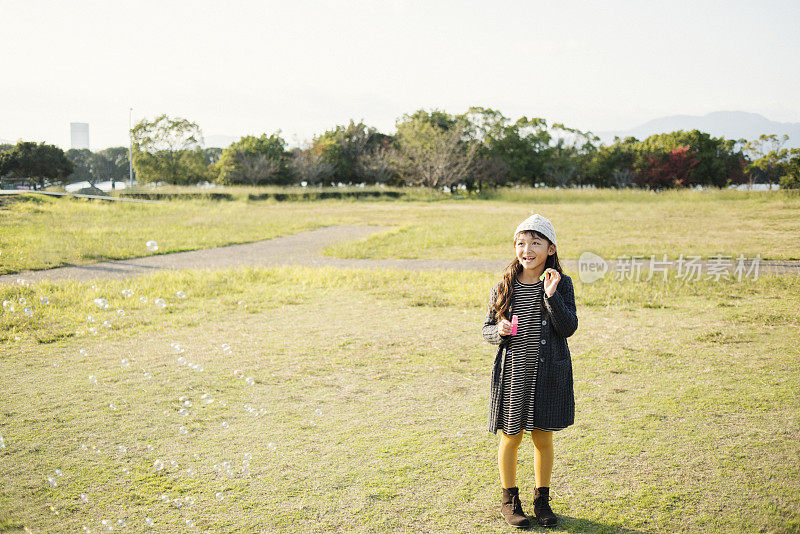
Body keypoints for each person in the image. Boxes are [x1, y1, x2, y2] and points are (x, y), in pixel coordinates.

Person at [481, 212, 578, 528]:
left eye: (535, 242)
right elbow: (486, 329)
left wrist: (551, 297)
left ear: (550, 248)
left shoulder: (560, 285)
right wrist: (500, 330)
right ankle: (509, 501)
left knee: (543, 439)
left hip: (548, 375)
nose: (527, 250)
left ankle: (542, 502)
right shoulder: (504, 285)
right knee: (510, 438)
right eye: (521, 243)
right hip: (514, 375)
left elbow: (568, 327)